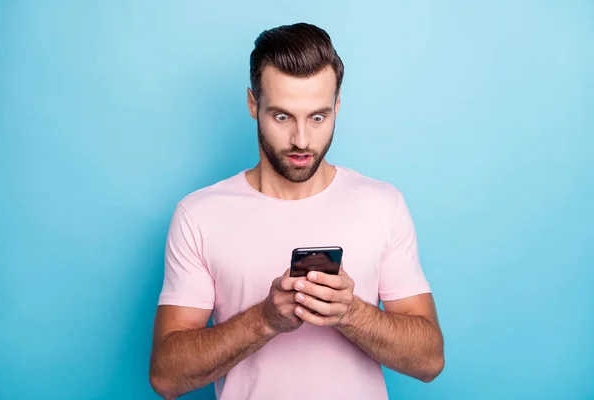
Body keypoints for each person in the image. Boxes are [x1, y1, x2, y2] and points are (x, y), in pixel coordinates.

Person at [149, 22, 444, 400]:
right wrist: (265, 319)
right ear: (253, 104)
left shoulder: (382, 204)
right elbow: (166, 377)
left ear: (337, 106)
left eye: (318, 117)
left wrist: (350, 313)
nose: (302, 140)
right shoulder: (199, 215)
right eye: (282, 116)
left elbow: (430, 361)